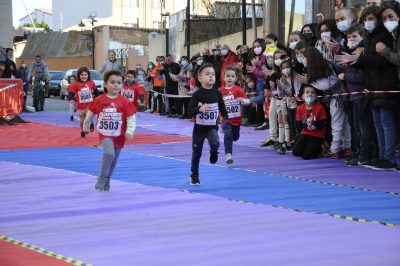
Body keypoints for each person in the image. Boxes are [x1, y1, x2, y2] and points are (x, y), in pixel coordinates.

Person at [83, 70, 136, 191]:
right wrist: (86, 126)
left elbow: (131, 117)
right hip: (105, 133)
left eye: (119, 82)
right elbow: (90, 113)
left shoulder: (124, 101)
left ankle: (107, 180)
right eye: (112, 82)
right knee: (109, 154)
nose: (116, 85)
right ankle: (101, 178)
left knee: (114, 160)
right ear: (105, 84)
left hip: (119, 134)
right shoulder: (99, 99)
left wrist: (130, 131)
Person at [187, 64, 228, 185]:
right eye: (207, 74)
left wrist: (224, 117)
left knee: (215, 142)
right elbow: (189, 112)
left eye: (213, 74)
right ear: (200, 78)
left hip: (211, 127)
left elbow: (222, 107)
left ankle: (214, 152)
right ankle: (194, 176)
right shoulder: (197, 94)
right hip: (199, 129)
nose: (211, 76)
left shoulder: (217, 93)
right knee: (196, 153)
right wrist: (199, 109)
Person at [219, 66, 250, 164]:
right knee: (228, 134)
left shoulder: (238, 90)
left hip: (237, 119)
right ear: (224, 78)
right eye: (227, 76)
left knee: (235, 137)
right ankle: (228, 154)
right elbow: (216, 104)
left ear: (236, 78)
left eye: (232, 76)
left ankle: (231, 137)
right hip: (226, 119)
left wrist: (243, 100)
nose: (230, 78)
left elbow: (248, 101)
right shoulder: (220, 91)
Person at [292, 85, 327, 160]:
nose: (310, 94)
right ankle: (309, 147)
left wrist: (313, 123)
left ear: (316, 96)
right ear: (303, 96)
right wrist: (299, 137)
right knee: (296, 152)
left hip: (317, 135)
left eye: (312, 92)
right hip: (306, 134)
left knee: (306, 156)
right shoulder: (299, 108)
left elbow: (322, 124)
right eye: (307, 92)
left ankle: (321, 148)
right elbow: (298, 124)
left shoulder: (320, 107)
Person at [68, 66, 98, 137]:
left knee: (88, 117)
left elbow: (96, 91)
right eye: (82, 75)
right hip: (80, 106)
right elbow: (71, 93)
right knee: (82, 120)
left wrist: (97, 98)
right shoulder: (76, 84)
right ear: (79, 76)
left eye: (85, 75)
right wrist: (71, 99)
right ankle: (82, 131)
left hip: (90, 104)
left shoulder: (91, 82)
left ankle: (91, 124)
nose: (84, 76)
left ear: (88, 75)